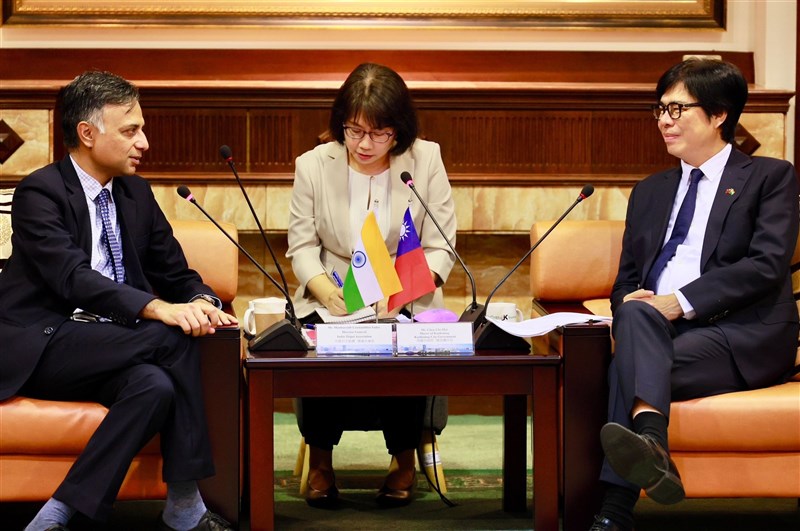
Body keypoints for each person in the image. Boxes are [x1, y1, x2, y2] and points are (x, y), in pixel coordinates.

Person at [0, 71, 238, 531]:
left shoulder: (135, 193)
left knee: (155, 386)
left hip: (112, 344)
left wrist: (204, 301)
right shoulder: (40, 193)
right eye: (130, 130)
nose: (144, 142)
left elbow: (176, 272)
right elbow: (72, 278)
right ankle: (186, 505)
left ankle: (57, 515)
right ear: (87, 134)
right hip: (44, 342)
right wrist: (157, 309)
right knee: (169, 339)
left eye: (141, 129)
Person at [589, 59, 799, 531]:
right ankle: (650, 445)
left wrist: (677, 302)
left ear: (719, 114)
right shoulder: (649, 191)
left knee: (624, 365)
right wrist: (637, 303)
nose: (664, 120)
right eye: (660, 109)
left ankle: (617, 506)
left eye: (677, 108)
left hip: (741, 331)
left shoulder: (769, 177)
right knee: (634, 314)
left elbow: (765, 265)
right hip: (657, 330)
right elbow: (625, 280)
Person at [286, 62, 457, 508]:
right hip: (336, 290)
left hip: (404, 290)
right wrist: (326, 291)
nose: (363, 144)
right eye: (353, 130)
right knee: (324, 346)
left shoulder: (426, 159)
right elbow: (302, 245)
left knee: (401, 346)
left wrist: (403, 291)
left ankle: (403, 460)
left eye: (378, 133)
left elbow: (441, 245)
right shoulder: (313, 165)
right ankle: (321, 461)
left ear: (399, 131)